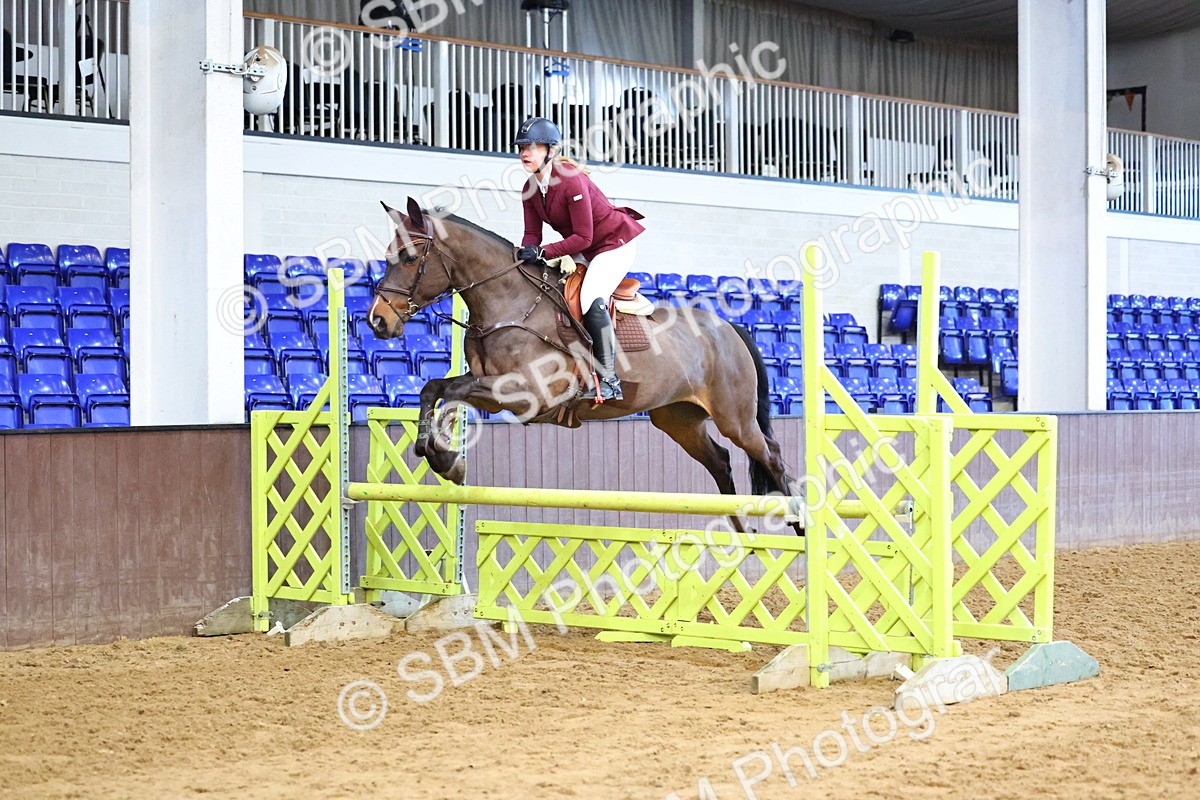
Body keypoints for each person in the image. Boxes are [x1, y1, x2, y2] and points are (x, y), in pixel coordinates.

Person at [514, 117, 645, 402]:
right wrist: (525, 254)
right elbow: (532, 233)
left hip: (613, 244)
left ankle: (609, 380)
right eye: (522, 147)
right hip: (584, 247)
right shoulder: (529, 189)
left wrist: (544, 252)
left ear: (550, 150)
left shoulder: (570, 179)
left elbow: (584, 237)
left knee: (589, 297)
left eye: (532, 147)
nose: (525, 153)